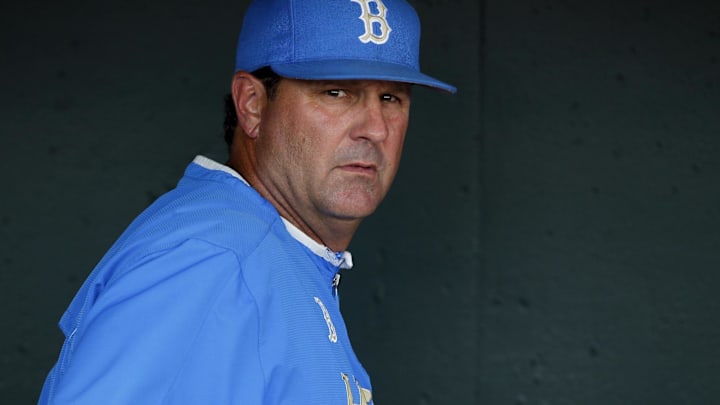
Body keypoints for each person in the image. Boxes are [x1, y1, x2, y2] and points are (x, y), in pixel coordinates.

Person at [38, 0, 455, 403]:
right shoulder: (211, 261)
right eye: (335, 92)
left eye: (391, 98)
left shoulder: (273, 253)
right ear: (252, 105)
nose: (375, 130)